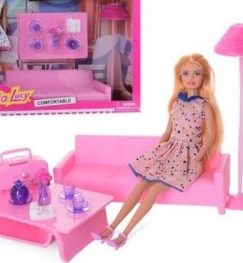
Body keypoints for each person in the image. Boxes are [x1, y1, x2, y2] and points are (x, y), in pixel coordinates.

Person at [91, 53, 223, 248]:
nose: (191, 78)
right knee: (140, 184)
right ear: (180, 77)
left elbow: (211, 135)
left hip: (189, 157)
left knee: (153, 190)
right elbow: (168, 131)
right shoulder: (177, 103)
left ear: (203, 77)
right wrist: (158, 151)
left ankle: (125, 234)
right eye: (185, 73)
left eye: (196, 73)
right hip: (170, 152)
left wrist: (199, 156)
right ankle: (111, 227)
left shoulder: (204, 106)